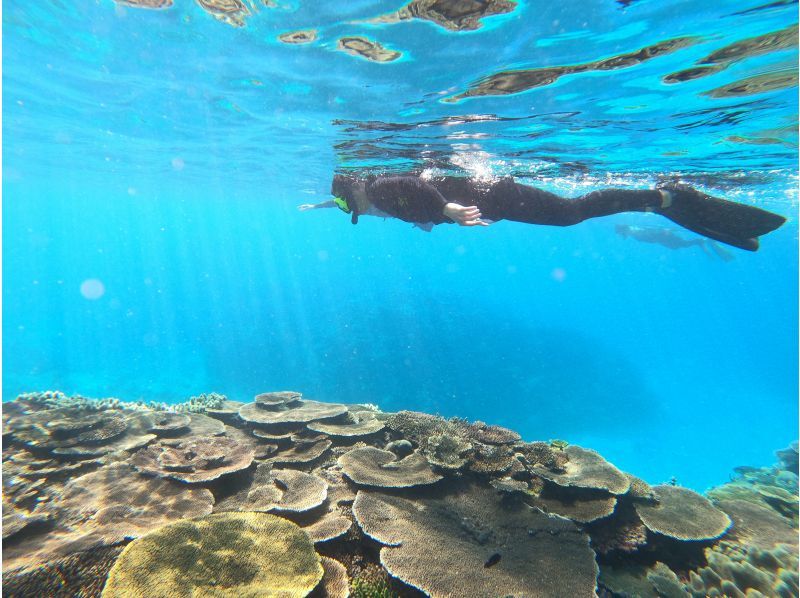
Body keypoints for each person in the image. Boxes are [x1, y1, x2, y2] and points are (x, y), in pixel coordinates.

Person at [298, 173, 786, 251]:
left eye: (344, 203)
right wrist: (322, 204)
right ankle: (660, 200)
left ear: (354, 188)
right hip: (498, 202)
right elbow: (408, 201)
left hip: (501, 196)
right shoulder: (370, 200)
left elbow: (413, 186)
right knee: (568, 215)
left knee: (571, 213)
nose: (348, 211)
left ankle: (665, 196)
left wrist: (444, 208)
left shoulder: (382, 187)